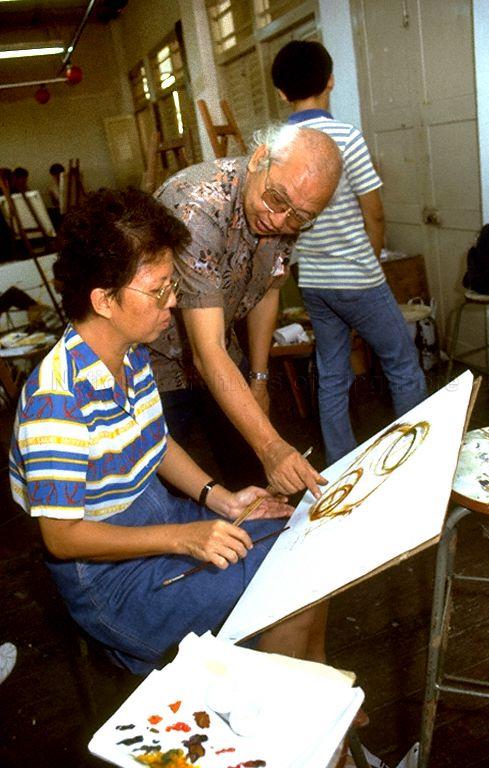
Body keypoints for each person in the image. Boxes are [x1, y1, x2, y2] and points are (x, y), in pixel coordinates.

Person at [9, 188, 328, 676]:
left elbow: (153, 442)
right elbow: (63, 538)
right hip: (111, 581)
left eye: (171, 284)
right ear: (104, 300)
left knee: (303, 536)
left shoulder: (130, 354)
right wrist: (185, 537)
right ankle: (287, 705)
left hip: (157, 520)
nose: (173, 300)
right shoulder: (56, 401)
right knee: (290, 576)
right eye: (159, 289)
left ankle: (319, 691)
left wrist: (223, 500)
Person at [150, 123, 342, 496]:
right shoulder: (197, 207)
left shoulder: (287, 206)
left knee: (253, 480)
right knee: (165, 490)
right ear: (259, 158)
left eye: (299, 217)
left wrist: (259, 379)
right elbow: (206, 352)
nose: (279, 220)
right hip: (155, 362)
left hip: (220, 348)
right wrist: (271, 447)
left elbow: (267, 291)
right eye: (277, 200)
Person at [271, 41, 427, 464]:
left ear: (282, 93)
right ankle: (417, 462)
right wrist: (370, 263)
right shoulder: (346, 137)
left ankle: (338, 464)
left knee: (332, 374)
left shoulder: (278, 145)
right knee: (402, 364)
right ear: (330, 81)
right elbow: (374, 213)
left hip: (314, 282)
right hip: (359, 277)